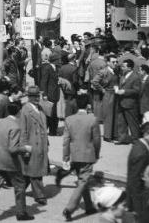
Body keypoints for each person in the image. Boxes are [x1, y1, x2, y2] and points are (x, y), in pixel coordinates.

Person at [0, 101, 32, 221]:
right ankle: (21, 212)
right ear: (19, 112)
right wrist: (25, 148)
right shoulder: (16, 127)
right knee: (20, 186)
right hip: (9, 163)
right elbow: (13, 149)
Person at [57, 93, 101, 221]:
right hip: (87, 155)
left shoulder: (69, 119)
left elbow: (66, 140)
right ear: (88, 105)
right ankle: (69, 208)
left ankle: (89, 206)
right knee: (83, 182)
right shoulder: (93, 119)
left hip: (74, 155)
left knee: (83, 180)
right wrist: (96, 154)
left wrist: (65, 157)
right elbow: (97, 140)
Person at [19, 86, 48, 205]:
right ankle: (39, 195)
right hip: (32, 144)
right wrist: (24, 146)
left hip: (41, 143)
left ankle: (19, 188)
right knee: (36, 171)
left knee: (30, 170)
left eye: (38, 96)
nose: (37, 98)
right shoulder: (25, 110)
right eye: (33, 96)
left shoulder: (40, 108)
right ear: (29, 97)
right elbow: (23, 131)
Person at [126, 121, 149, 213]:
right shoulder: (141, 153)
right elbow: (134, 181)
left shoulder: (141, 145)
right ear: (146, 134)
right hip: (139, 199)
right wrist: (138, 208)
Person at [115, 59, 142, 144]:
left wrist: (125, 91)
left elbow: (137, 90)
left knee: (133, 122)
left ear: (130, 68)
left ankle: (135, 139)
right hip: (121, 102)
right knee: (121, 122)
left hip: (130, 103)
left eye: (124, 66)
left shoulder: (135, 77)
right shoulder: (123, 75)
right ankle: (122, 139)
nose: (122, 68)